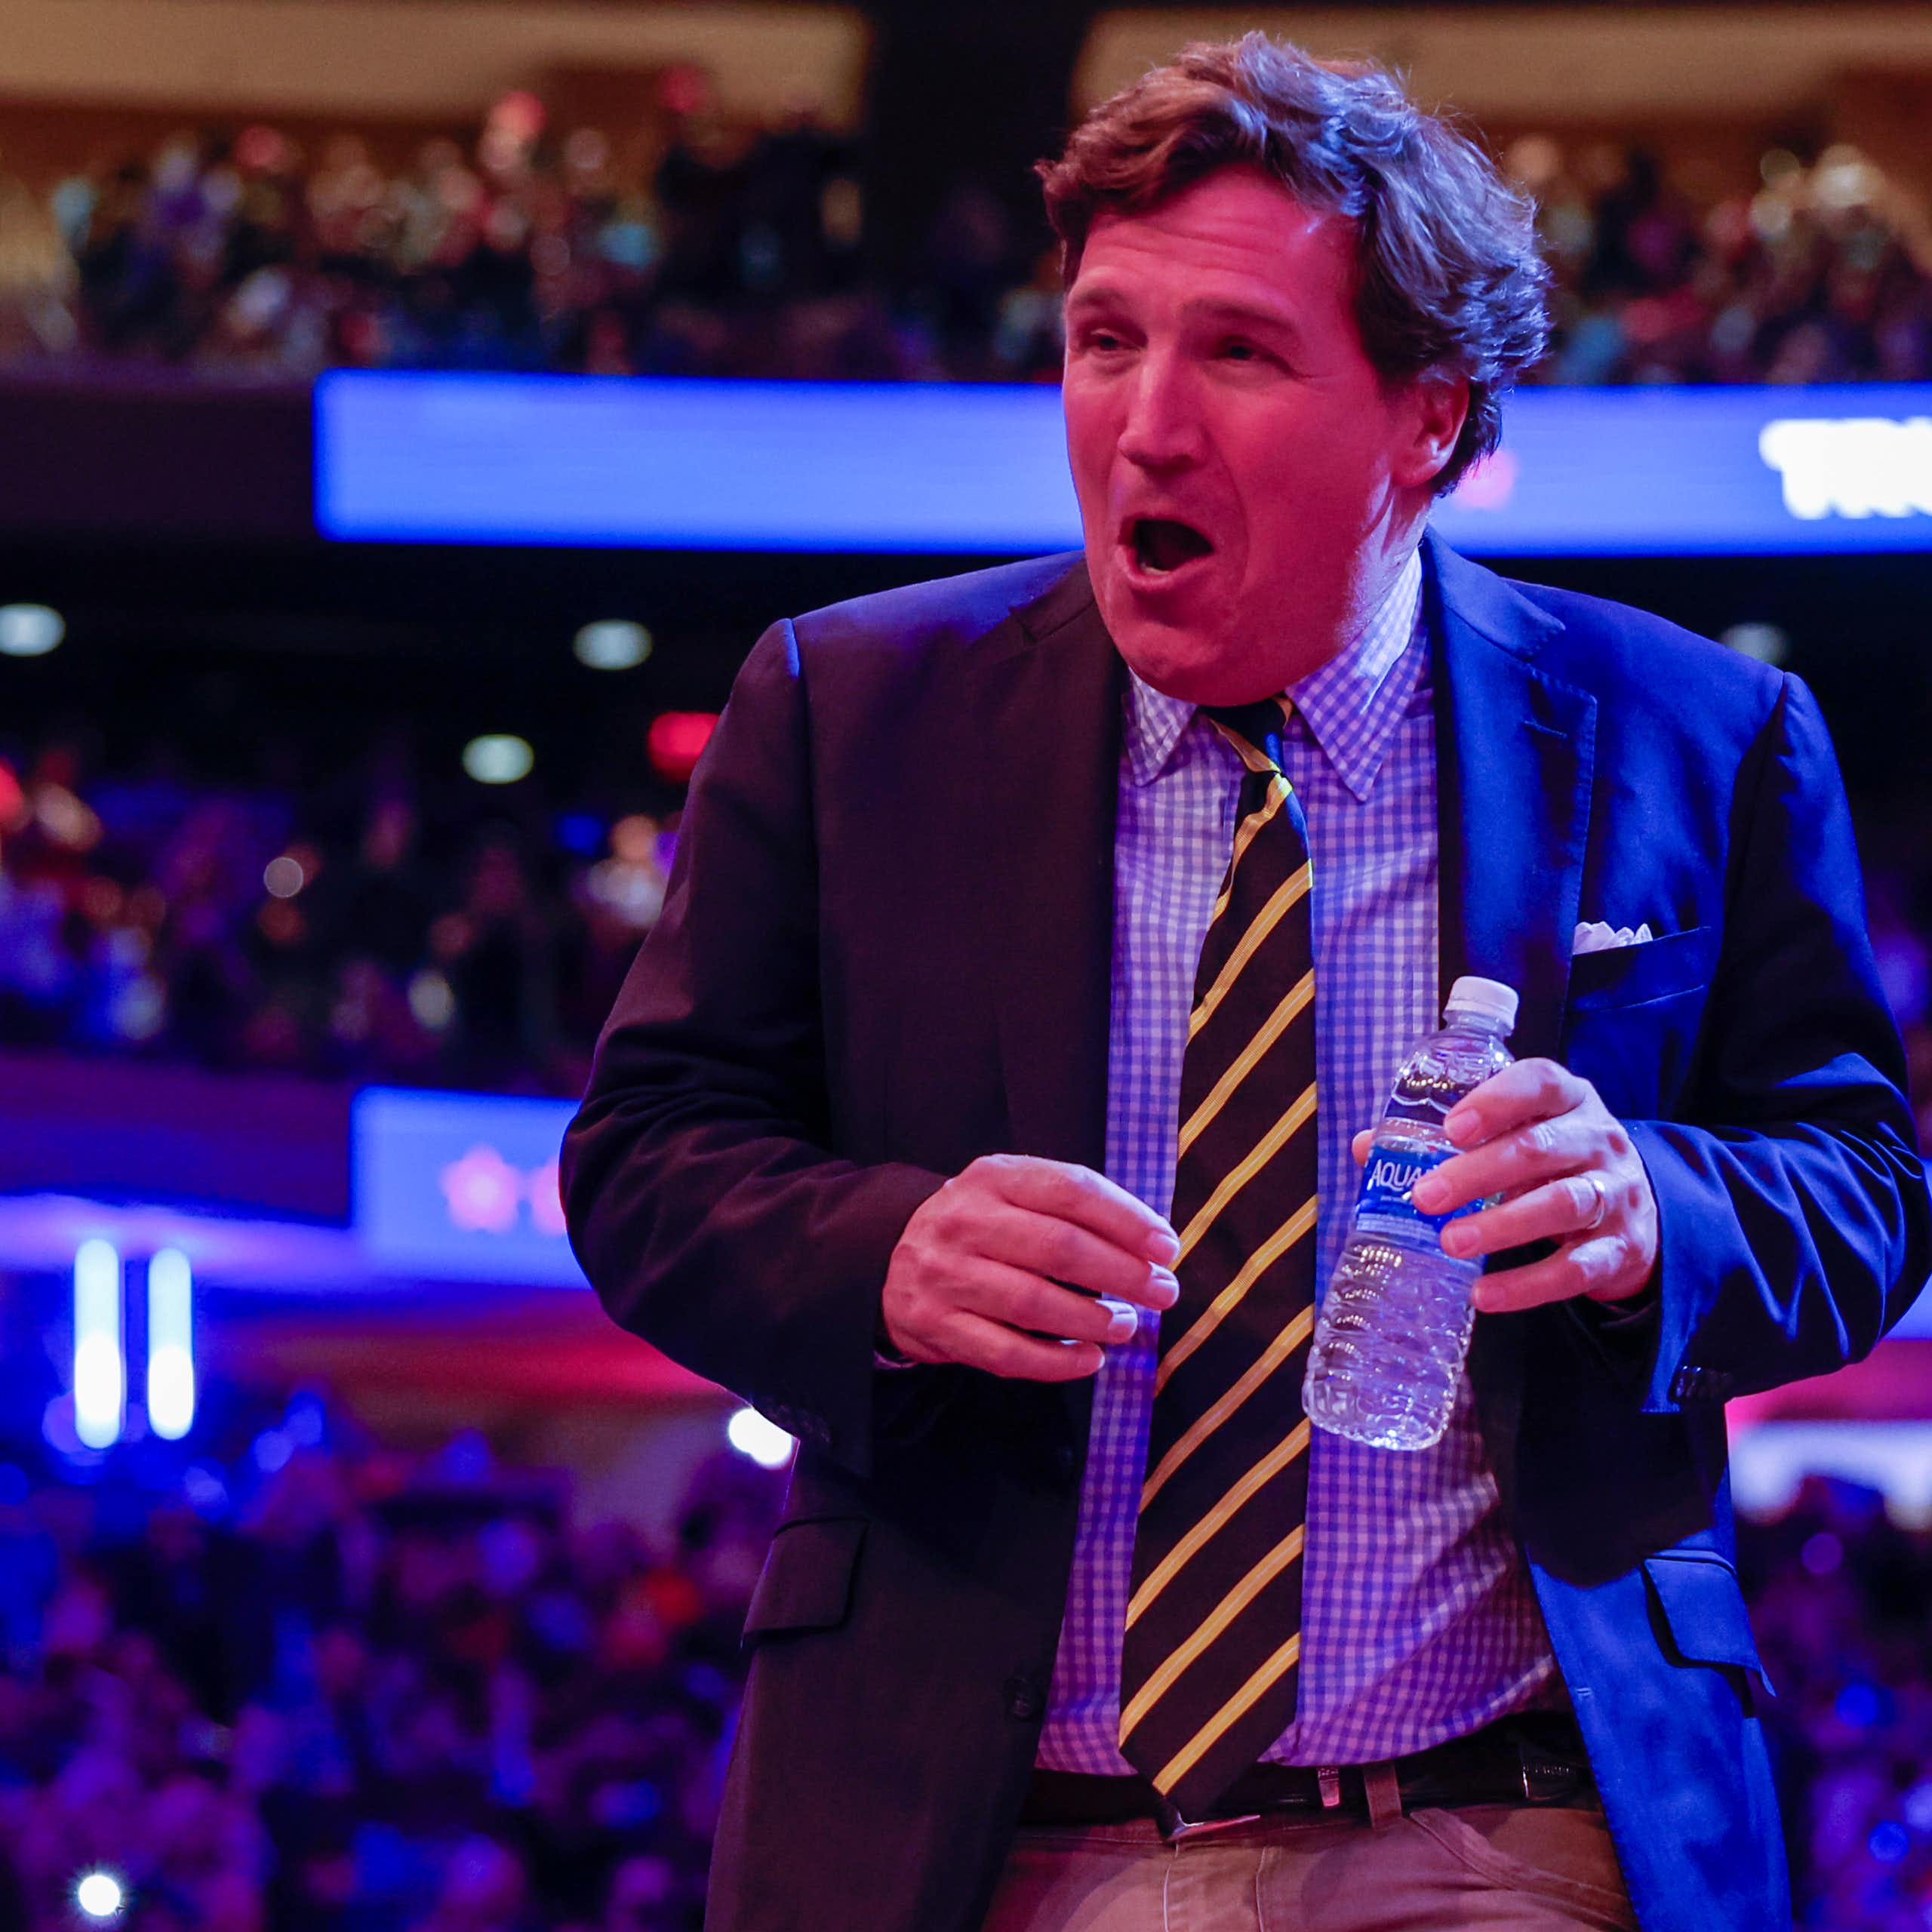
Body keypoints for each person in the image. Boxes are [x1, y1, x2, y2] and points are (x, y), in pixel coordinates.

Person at [561, 35, 1931, 1932]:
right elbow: (644, 1153)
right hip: (975, 1832)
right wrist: (875, 1251)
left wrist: (1654, 1205)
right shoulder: (843, 707)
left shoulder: (1696, 731)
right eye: (1104, 339)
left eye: (1238, 353)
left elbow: (1861, 1179)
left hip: (1508, 1829)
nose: (1144, 421)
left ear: (1426, 419)